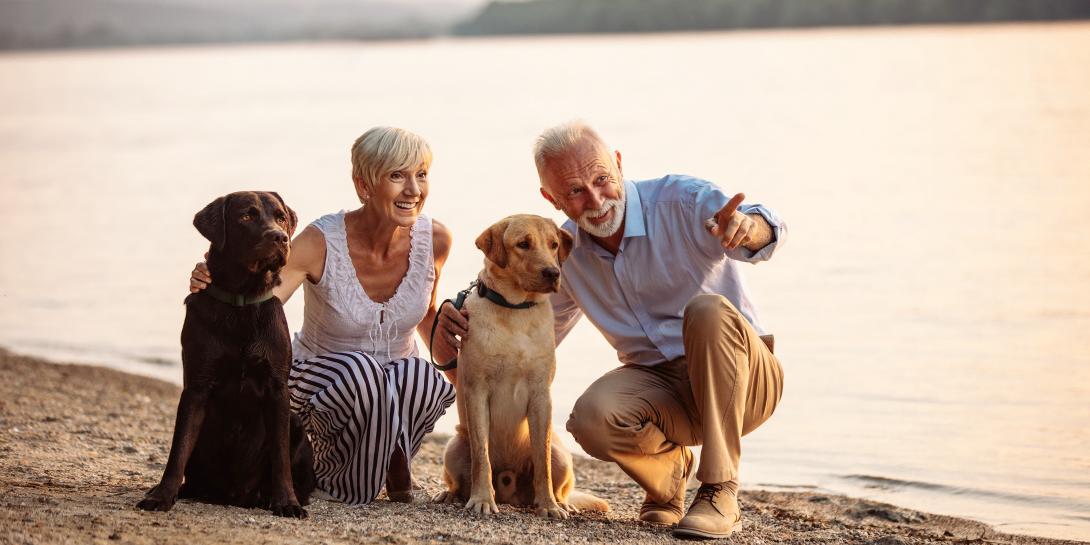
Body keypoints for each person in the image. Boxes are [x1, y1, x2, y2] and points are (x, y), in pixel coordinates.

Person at [438, 121, 786, 539]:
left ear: (618, 164)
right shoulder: (563, 253)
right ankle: (669, 483)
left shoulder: (680, 199)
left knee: (707, 311)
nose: (595, 198)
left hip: (744, 376)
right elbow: (529, 345)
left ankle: (719, 490)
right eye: (574, 191)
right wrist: (460, 328)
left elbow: (771, 229)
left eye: (602, 179)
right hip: (660, 387)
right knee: (590, 417)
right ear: (552, 198)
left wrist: (750, 227)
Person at [190, 127, 456, 505]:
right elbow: (262, 298)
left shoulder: (437, 239)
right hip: (320, 376)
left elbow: (426, 314)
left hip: (392, 385)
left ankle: (390, 465)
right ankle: (335, 479)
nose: (414, 189)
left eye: (422, 174)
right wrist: (211, 280)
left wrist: (467, 376)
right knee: (364, 374)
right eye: (397, 175)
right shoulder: (320, 241)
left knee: (423, 377)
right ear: (364, 185)